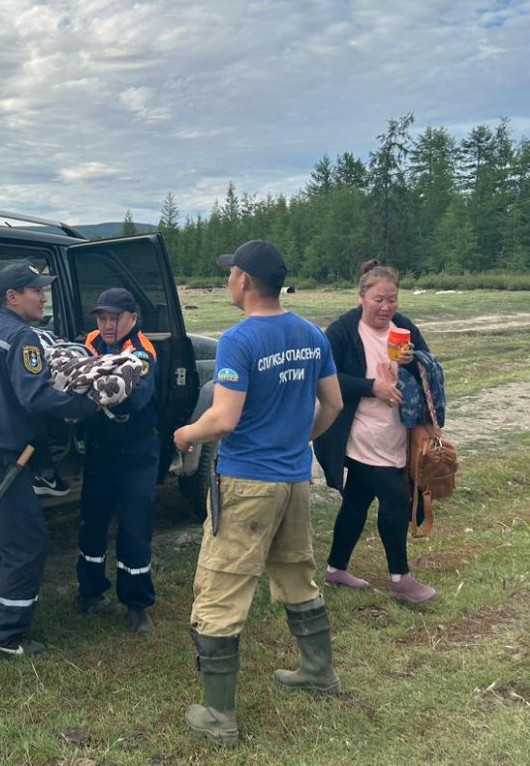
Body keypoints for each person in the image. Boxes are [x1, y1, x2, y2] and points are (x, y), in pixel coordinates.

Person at [173, 240, 344, 747]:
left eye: (231, 273)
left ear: (244, 281)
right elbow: (332, 404)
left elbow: (223, 419)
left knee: (221, 589)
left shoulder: (239, 339)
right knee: (296, 573)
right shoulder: (311, 334)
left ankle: (218, 716)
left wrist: (185, 435)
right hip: (294, 480)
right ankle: (319, 672)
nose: (228, 280)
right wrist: (297, 440)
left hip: (247, 484)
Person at [0, 263, 99, 657]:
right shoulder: (22, 338)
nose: (43, 296)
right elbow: (34, 396)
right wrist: (87, 404)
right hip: (2, 458)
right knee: (25, 545)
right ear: (13, 297)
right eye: (36, 290)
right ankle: (7, 636)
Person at [313, 259, 438, 604]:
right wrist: (373, 388)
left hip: (396, 430)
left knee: (357, 501)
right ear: (361, 297)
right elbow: (327, 379)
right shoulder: (341, 331)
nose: (386, 307)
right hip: (356, 432)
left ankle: (336, 569)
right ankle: (401, 578)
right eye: (378, 300)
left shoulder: (403, 327)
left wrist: (414, 359)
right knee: (397, 498)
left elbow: (429, 364)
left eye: (392, 299)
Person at [76, 287, 159, 634]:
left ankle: (137, 604)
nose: (107, 325)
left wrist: (86, 383)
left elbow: (131, 399)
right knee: (92, 521)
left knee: (135, 529)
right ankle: (90, 591)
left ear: (133, 319)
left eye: (115, 318)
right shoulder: (90, 342)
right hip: (100, 450)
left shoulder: (142, 353)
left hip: (137, 452)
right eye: (102, 317)